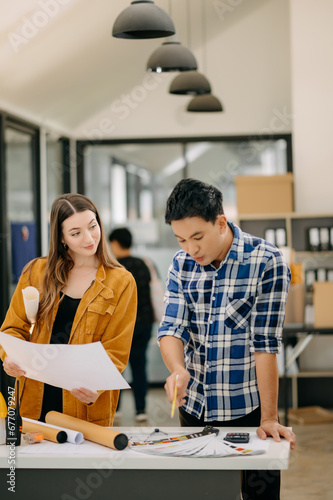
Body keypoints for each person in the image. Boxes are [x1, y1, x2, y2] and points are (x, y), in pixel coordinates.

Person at [158, 178, 296, 500]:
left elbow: (265, 343)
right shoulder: (181, 265)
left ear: (221, 223)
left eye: (197, 237)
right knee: (201, 493)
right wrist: (177, 368)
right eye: (180, 240)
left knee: (258, 494)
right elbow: (171, 329)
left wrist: (270, 417)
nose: (190, 249)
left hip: (249, 408)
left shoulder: (266, 261)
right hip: (195, 408)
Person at [0, 194, 137, 426]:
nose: (89, 238)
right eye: (76, 233)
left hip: (84, 402)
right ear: (61, 238)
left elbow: (116, 350)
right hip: (34, 398)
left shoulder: (121, 282)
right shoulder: (35, 272)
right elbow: (13, 328)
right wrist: (9, 357)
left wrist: (99, 387)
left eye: (93, 227)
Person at [109, 228, 154, 422]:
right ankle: (141, 409)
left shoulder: (114, 268)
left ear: (115, 243)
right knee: (139, 364)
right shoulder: (143, 264)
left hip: (121, 326)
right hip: (144, 321)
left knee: (116, 366)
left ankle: (115, 408)